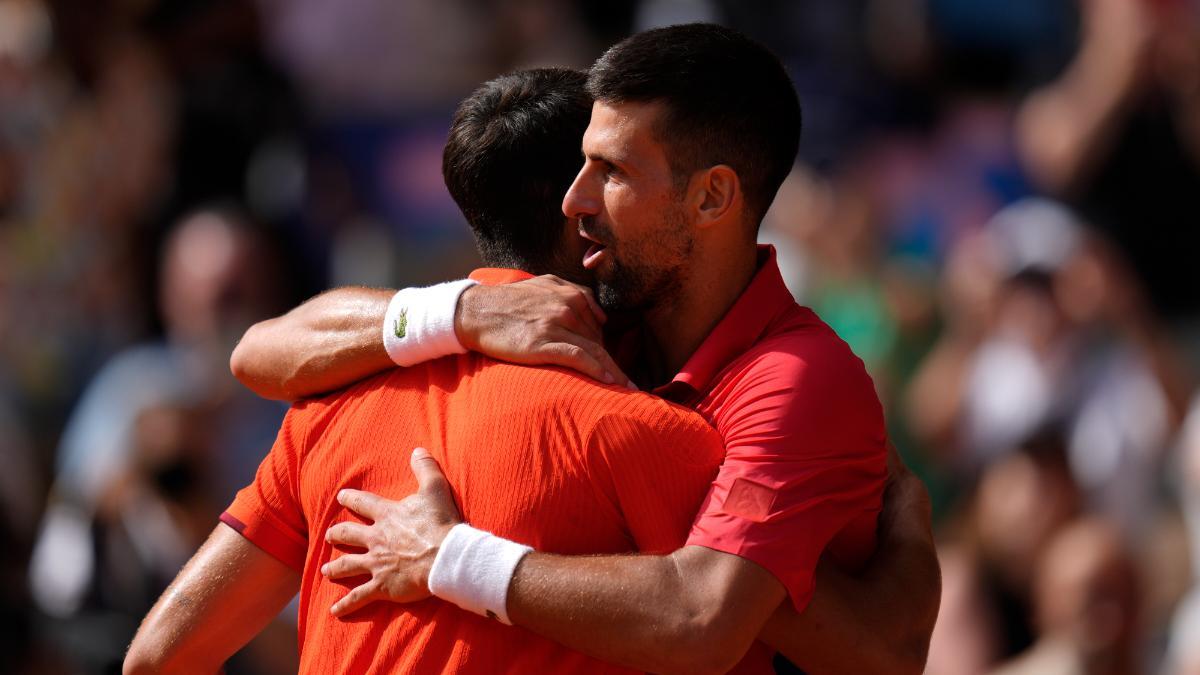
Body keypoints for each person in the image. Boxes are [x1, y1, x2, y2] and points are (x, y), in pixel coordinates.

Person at [125, 66, 936, 674]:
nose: (605, 191)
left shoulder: (327, 405)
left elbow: (158, 656)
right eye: (604, 173)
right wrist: (909, 546)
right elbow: (793, 633)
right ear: (578, 216)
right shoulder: (647, 435)